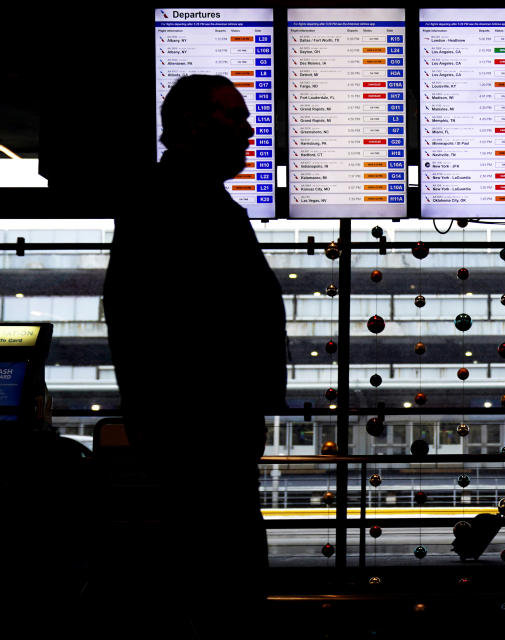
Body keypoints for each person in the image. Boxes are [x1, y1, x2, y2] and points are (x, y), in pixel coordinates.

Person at [100, 75, 287, 637]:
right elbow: (184, 323)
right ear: (191, 124)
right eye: (233, 116)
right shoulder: (183, 202)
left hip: (198, 434)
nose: (248, 130)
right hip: (204, 436)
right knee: (226, 585)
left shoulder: (173, 197)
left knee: (211, 579)